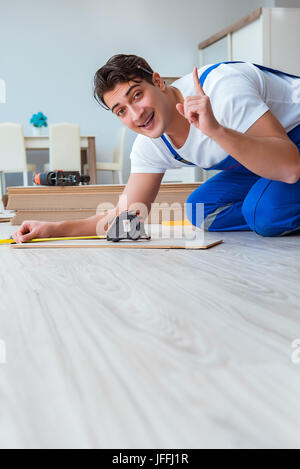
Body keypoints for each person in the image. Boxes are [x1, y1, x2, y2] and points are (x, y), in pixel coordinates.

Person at [12, 54, 300, 243]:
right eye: (121, 111)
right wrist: (53, 229)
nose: (136, 115)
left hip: (288, 144)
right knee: (201, 209)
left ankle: (270, 209)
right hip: (257, 156)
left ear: (159, 82)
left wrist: (216, 130)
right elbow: (127, 218)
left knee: (265, 212)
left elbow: (289, 166)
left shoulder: (223, 91)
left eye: (137, 95)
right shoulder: (151, 142)